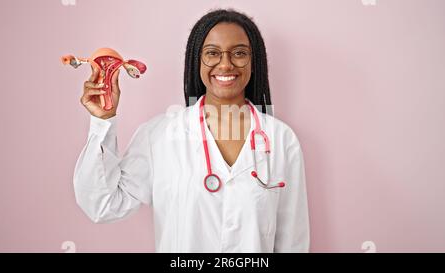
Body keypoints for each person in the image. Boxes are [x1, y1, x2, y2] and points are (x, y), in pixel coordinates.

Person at [74, 8, 309, 252]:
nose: (226, 64)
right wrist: (103, 121)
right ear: (196, 60)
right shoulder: (159, 135)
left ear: (254, 61)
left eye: (239, 53)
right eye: (212, 53)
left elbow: (292, 241)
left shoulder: (281, 139)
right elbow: (103, 204)